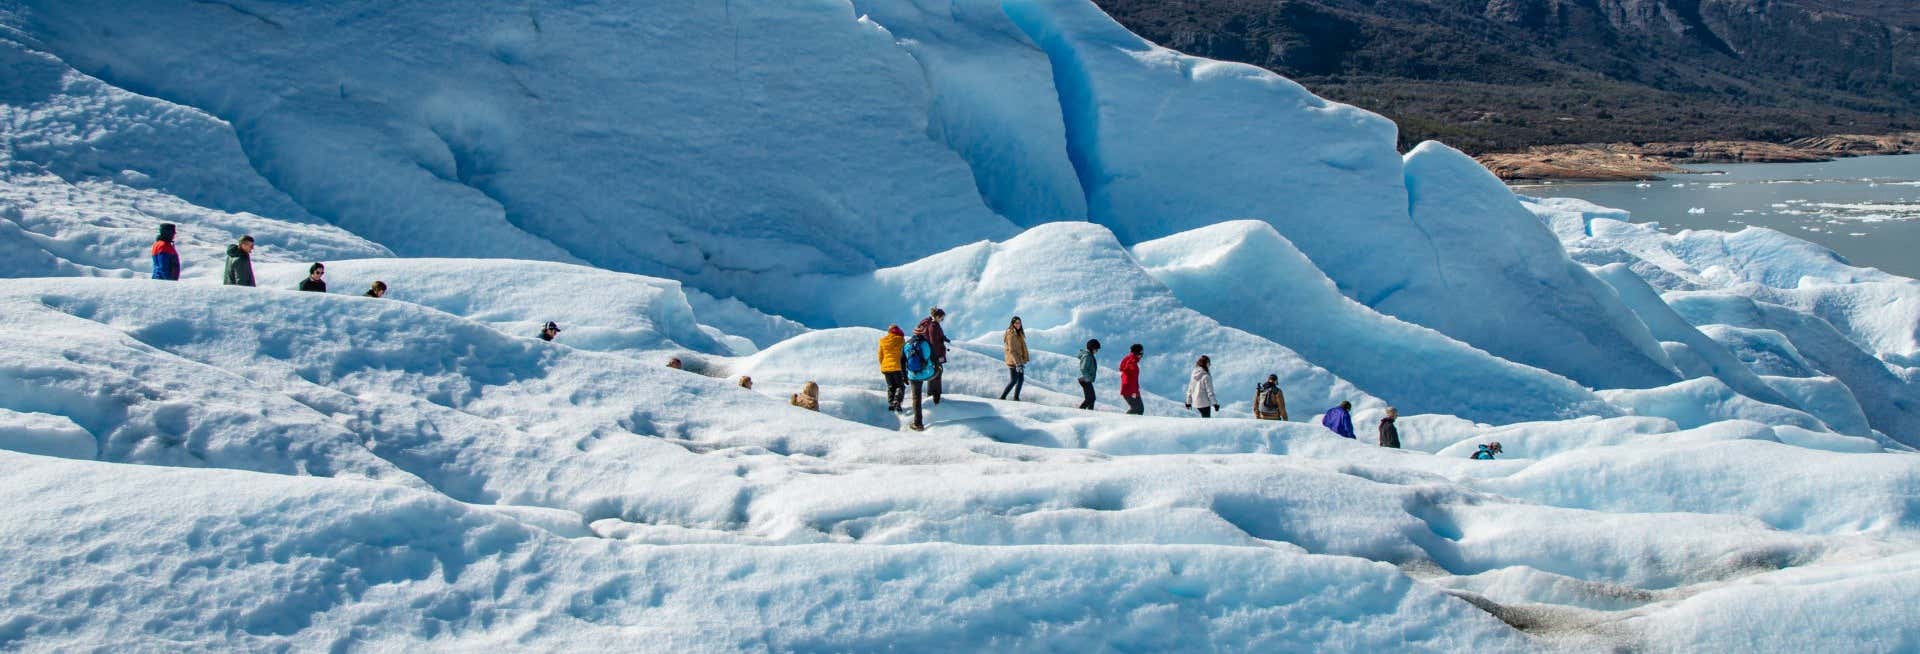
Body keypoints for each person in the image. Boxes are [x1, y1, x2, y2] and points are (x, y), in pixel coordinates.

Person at [904, 324, 939, 430]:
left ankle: (918, 424)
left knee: (916, 398)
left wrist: (904, 376)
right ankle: (935, 398)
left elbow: (902, 361)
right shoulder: (927, 344)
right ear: (924, 334)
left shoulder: (907, 345)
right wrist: (937, 369)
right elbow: (934, 359)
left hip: (913, 376)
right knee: (938, 373)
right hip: (927, 374)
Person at [916, 308, 953, 404]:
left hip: (930, 354)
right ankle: (935, 397)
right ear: (937, 317)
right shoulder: (934, 326)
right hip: (935, 355)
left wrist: (943, 338)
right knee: (937, 373)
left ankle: (931, 395)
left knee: (933, 373)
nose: (942, 320)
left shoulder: (930, 324)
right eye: (942, 318)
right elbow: (934, 342)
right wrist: (938, 356)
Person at [878, 325, 906, 412]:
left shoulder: (883, 341)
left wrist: (883, 365)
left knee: (891, 386)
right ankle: (897, 401)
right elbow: (904, 354)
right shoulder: (901, 340)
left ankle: (891, 403)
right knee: (900, 386)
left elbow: (880, 355)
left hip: (886, 368)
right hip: (897, 367)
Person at [1001, 316, 1029, 401]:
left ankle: (1016, 398)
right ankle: (1002, 397)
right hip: (1013, 361)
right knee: (1014, 380)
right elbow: (1012, 350)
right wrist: (1017, 364)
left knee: (1020, 380)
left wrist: (1021, 361)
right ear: (1013, 324)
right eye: (1016, 323)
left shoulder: (1018, 333)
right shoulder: (1011, 334)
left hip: (1019, 360)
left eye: (1019, 323)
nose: (1018, 325)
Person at [1119, 343, 1145, 415]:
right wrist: (1134, 392)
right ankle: (1125, 421)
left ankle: (1135, 424)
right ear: (1136, 353)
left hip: (1130, 390)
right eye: (1141, 353)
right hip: (1130, 391)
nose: (1141, 356)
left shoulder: (1130, 360)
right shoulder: (1131, 362)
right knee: (1138, 408)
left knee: (1139, 409)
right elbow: (1130, 379)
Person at [1076, 339, 1101, 410]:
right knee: (1090, 398)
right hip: (1084, 379)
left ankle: (1090, 412)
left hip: (1085, 379)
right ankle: (1080, 411)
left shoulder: (1089, 355)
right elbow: (1083, 368)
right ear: (1091, 348)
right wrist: (1087, 378)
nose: (1097, 351)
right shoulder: (1087, 356)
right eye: (1096, 349)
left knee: (1092, 398)